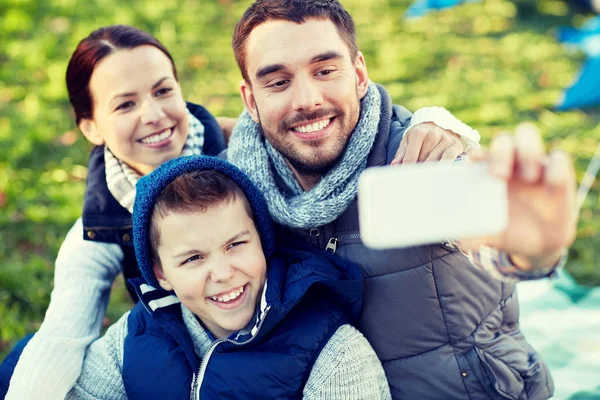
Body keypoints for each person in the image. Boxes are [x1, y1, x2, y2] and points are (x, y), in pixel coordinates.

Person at [2, 23, 473, 399]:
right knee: (25, 360)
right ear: (90, 127)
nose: (154, 117)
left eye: (163, 91)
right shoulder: (99, 225)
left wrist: (437, 121)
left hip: (279, 325)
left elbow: (321, 111)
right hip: (182, 328)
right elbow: (64, 336)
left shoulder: (244, 153)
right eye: (125, 104)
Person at [225, 1, 577, 399]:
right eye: (278, 82)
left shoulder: (419, 161)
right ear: (251, 100)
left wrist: (532, 254)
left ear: (358, 75)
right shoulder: (239, 186)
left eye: (325, 71)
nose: (307, 99)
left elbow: (491, 243)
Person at [64, 155, 391, 399]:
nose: (222, 274)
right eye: (193, 258)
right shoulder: (129, 342)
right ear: (161, 274)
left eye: (235, 245)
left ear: (262, 242)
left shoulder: (335, 356)